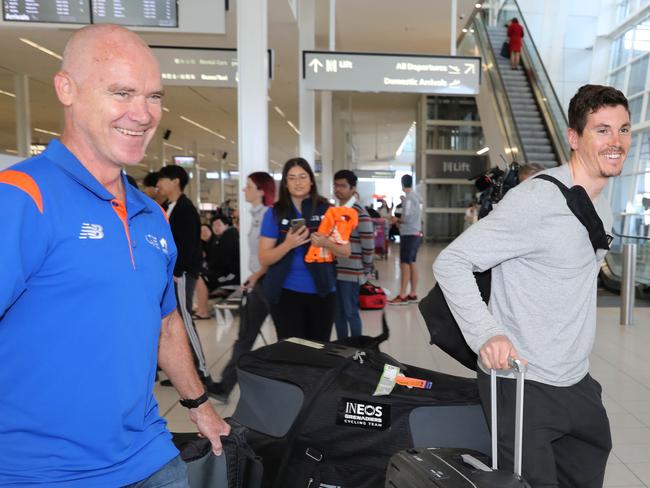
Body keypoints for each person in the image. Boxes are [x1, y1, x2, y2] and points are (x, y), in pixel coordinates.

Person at [0, 24, 229, 487]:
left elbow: (165, 325)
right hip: (41, 472)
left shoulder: (150, 215)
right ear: (67, 89)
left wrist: (199, 406)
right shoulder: (22, 198)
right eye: (122, 93)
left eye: (153, 97)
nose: (142, 114)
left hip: (150, 455)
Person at [433, 84, 630, 486]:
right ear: (574, 138)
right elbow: (452, 260)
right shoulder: (535, 201)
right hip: (523, 384)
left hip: (576, 380)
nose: (616, 142)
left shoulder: (601, 204)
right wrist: (487, 333)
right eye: (602, 130)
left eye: (624, 129)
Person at [259, 158, 351, 341]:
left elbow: (345, 251)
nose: (298, 182)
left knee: (318, 351)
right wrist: (288, 244)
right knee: (292, 353)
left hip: (323, 292)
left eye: (302, 176)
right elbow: (264, 258)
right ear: (285, 183)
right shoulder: (275, 213)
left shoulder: (328, 211)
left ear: (311, 180)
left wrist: (327, 243)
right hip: (286, 293)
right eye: (292, 178)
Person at [208, 171, 276, 402]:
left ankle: (226, 386)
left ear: (261, 190)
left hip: (268, 282)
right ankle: (225, 386)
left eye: (248, 186)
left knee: (249, 337)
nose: (243, 190)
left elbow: (270, 255)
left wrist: (257, 275)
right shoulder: (257, 214)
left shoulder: (268, 214)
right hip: (259, 280)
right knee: (245, 336)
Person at [156, 164, 216, 388]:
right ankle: (180, 371)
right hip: (171, 274)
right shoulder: (168, 206)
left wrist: (179, 270)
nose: (159, 184)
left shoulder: (185, 208)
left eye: (163, 179)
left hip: (180, 275)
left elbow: (189, 244)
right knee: (175, 320)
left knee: (185, 319)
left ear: (175, 182)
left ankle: (202, 370)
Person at [332, 170, 375, 338]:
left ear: (352, 189)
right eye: (336, 185)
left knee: (351, 313)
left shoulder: (359, 212)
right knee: (338, 314)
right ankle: (343, 349)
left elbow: (368, 244)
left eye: (343, 186)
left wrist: (365, 268)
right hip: (336, 271)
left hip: (352, 272)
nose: (338, 189)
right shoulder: (335, 211)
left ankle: (357, 349)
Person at [193, 214, 240, 319]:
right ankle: (200, 307)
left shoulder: (230, 236)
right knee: (198, 274)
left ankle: (203, 311)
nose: (216, 228)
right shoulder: (219, 239)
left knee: (201, 277)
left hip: (230, 275)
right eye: (214, 225)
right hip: (226, 273)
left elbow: (222, 261)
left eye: (219, 225)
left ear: (227, 225)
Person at [388, 174, 422, 305]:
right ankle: (412, 294)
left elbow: (406, 218)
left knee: (404, 264)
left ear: (402, 184)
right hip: (416, 233)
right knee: (412, 262)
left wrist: (396, 219)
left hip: (408, 234)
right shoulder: (415, 197)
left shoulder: (409, 198)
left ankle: (402, 295)